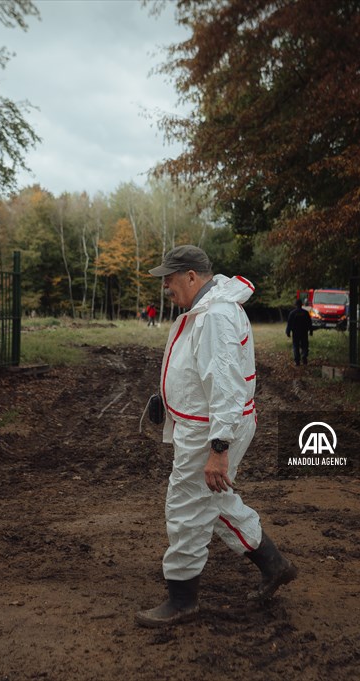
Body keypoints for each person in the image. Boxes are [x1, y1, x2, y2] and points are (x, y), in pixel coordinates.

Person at [136, 245, 298, 627]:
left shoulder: (216, 317)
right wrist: (168, 397)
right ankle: (274, 565)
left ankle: (182, 600)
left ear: (192, 276)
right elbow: (199, 370)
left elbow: (225, 383)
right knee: (214, 501)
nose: (166, 289)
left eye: (170, 280)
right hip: (205, 425)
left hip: (211, 429)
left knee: (187, 508)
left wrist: (219, 447)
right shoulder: (206, 312)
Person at [286, 298, 313, 366]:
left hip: (295, 332)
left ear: (295, 305)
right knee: (305, 345)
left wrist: (288, 332)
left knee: (296, 346)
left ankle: (297, 361)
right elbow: (309, 323)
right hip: (304, 332)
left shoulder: (292, 313)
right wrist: (311, 331)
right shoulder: (305, 313)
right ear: (302, 304)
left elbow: (289, 323)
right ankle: (304, 356)